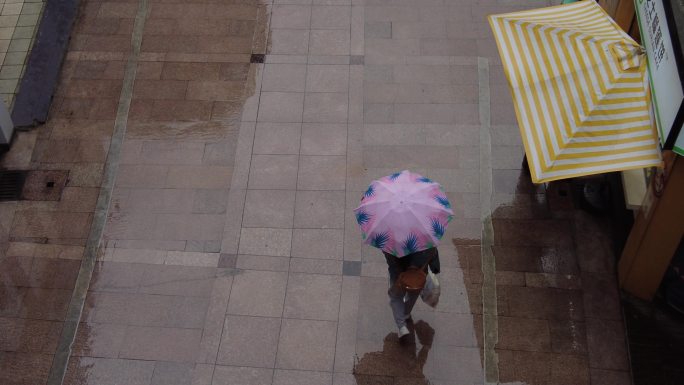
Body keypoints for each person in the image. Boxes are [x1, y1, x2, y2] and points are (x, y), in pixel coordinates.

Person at [383, 247, 440, 337]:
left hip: (398, 275)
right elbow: (433, 256)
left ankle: (402, 327)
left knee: (396, 296)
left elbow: (391, 261)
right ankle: (406, 314)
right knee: (413, 295)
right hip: (418, 277)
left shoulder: (391, 243)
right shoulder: (426, 240)